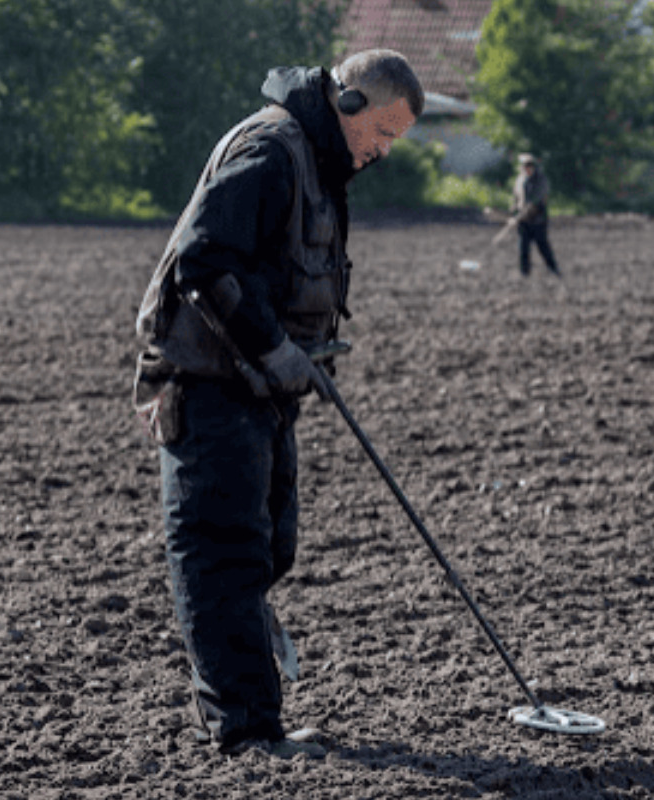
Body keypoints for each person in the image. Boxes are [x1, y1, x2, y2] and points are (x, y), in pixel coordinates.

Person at [131, 49, 423, 759]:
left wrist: (307, 353)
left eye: (394, 141)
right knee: (225, 556)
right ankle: (247, 732)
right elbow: (206, 261)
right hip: (209, 386)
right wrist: (274, 349)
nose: (382, 152)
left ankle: (242, 674)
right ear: (347, 104)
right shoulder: (270, 149)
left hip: (259, 389)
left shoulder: (319, 159)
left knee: (270, 544)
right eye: (380, 132)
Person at [510, 153, 561, 278]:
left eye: (530, 165)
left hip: (538, 220)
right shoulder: (520, 180)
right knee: (523, 248)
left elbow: (536, 200)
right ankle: (524, 273)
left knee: (543, 247)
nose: (527, 168)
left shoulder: (541, 180)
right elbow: (516, 197)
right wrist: (514, 211)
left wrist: (524, 212)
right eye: (525, 166)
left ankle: (554, 270)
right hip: (524, 222)